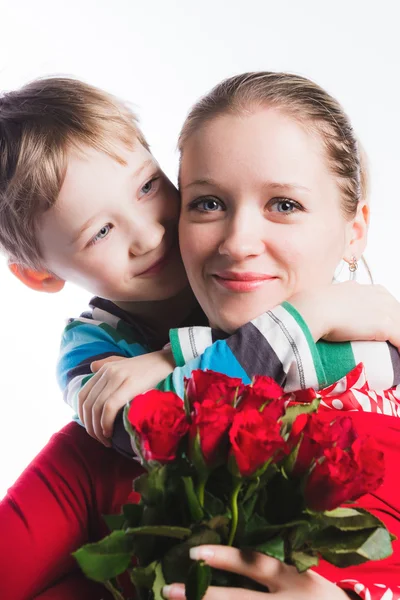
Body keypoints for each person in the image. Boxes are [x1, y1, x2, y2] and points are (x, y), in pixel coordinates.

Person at [0, 75, 398, 599]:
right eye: (209, 203)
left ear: (356, 229)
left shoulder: (375, 375)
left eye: (284, 204)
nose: (238, 243)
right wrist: (312, 309)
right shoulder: (105, 408)